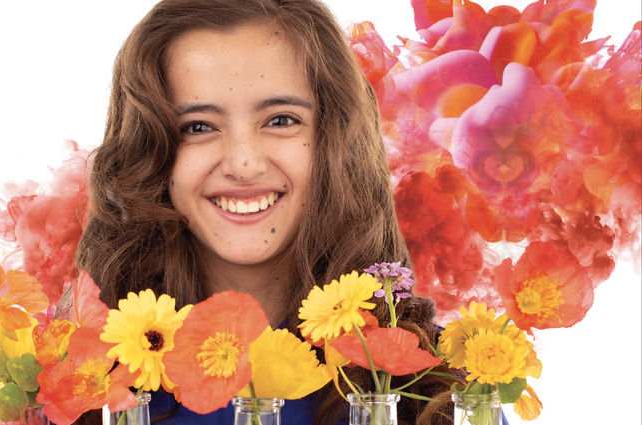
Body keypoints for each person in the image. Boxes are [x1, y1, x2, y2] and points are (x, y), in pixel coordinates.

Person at [76, 0, 459, 423]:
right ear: (148, 154)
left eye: (280, 120)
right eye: (198, 127)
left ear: (335, 142)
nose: (244, 164)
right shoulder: (80, 379)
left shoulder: (438, 385)